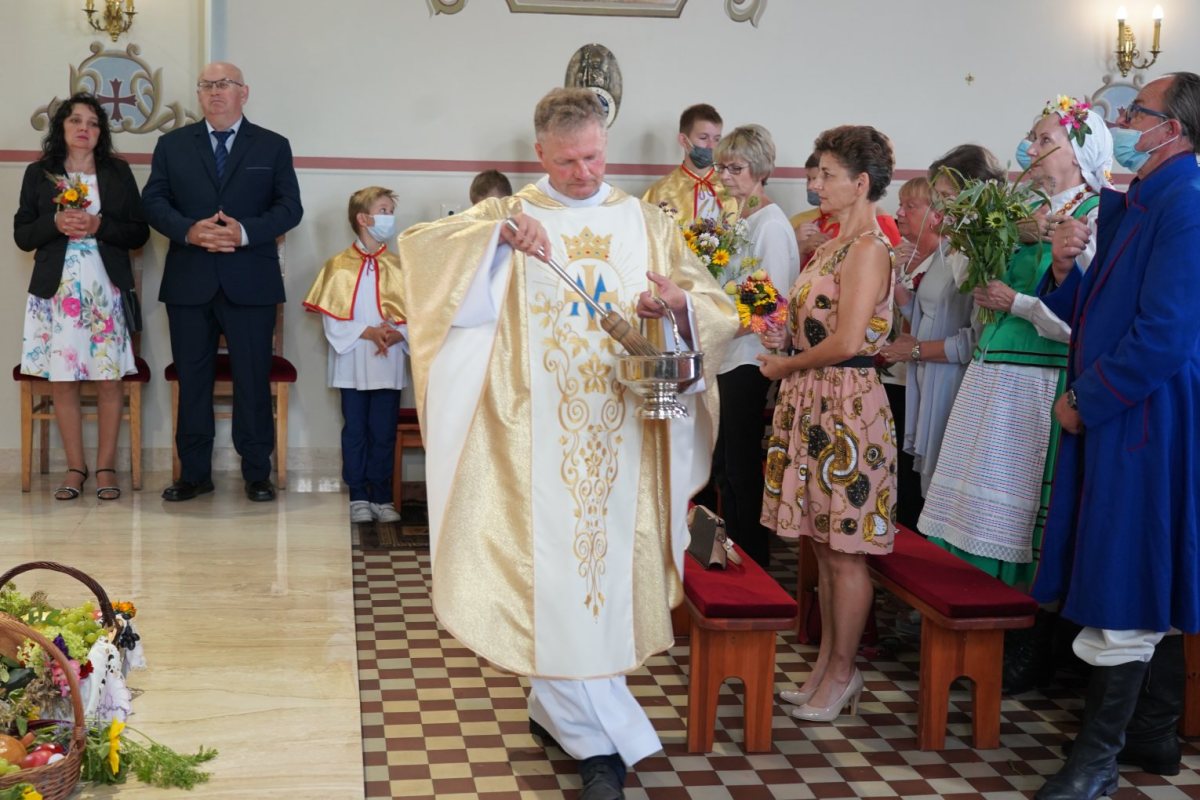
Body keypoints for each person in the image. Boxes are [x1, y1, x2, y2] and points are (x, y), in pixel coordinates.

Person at [393, 88, 737, 799]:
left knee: (603, 585)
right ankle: (599, 746)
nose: (584, 173)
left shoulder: (647, 222)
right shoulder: (510, 215)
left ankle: (557, 712)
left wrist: (677, 306)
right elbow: (423, 260)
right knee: (553, 585)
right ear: (540, 153)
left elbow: (713, 306)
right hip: (533, 441)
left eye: (594, 157)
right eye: (568, 161)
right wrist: (496, 242)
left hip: (628, 435)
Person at [1032, 72, 1200, 800]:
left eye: (1136, 112)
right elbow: (1101, 306)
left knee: (1129, 567)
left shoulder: (1187, 202)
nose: (1123, 121)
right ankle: (1152, 736)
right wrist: (1064, 267)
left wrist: (1087, 399)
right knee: (1135, 562)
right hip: (1122, 408)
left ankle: (1098, 762)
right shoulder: (1143, 198)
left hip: (1142, 414)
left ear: (1174, 129)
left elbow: (1165, 333)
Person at [918, 102, 1112, 696]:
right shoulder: (1024, 211)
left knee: (1025, 515)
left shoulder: (1095, 215)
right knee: (975, 510)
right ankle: (971, 629)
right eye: (1030, 137)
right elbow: (970, 278)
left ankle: (1027, 639)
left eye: (1044, 138)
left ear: (1077, 151)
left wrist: (1020, 304)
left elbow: (1092, 323)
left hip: (1039, 382)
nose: (1031, 148)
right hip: (994, 374)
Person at [758, 125, 897, 722]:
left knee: (846, 550)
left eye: (826, 175)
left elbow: (846, 341)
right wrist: (780, 336)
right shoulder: (831, 246)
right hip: (815, 398)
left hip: (847, 407)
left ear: (860, 183)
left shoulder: (868, 248)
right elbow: (814, 326)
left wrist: (785, 364)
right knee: (822, 542)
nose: (815, 183)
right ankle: (823, 669)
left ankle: (842, 673)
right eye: (815, 173)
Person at [142, 61, 303, 503]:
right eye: (207, 85)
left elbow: (290, 208)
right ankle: (194, 474)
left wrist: (244, 232)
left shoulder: (272, 145)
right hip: (189, 281)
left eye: (224, 84)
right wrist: (189, 231)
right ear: (199, 94)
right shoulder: (172, 145)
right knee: (193, 380)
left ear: (243, 93)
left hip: (250, 281)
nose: (215, 92)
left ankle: (257, 473)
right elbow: (153, 202)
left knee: (253, 379)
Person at [15, 92, 149, 501]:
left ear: (100, 133)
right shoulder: (38, 173)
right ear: (61, 127)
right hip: (55, 293)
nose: (84, 129)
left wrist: (98, 225)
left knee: (109, 379)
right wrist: (55, 223)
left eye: (92, 123)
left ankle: (106, 466)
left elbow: (138, 233)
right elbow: (22, 235)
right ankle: (76, 468)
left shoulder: (117, 172)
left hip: (103, 289)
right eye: (75, 120)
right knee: (63, 381)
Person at [707, 124, 799, 567]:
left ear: (760, 170)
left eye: (736, 168)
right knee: (724, 466)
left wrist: (713, 328)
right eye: (722, 167)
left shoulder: (772, 225)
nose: (726, 176)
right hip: (727, 356)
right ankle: (731, 555)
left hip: (750, 359)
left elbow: (770, 306)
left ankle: (754, 562)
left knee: (741, 467)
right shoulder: (740, 219)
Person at [302, 187, 406, 524]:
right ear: (363, 218)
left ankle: (382, 496)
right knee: (356, 431)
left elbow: (413, 316)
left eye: (391, 211)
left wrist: (396, 334)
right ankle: (358, 495)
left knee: (383, 432)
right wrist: (370, 332)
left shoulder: (399, 266)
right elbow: (333, 321)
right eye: (384, 210)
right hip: (352, 364)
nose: (390, 217)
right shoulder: (338, 266)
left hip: (388, 362)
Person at [642, 103, 737, 225]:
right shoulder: (659, 192)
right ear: (684, 140)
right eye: (703, 138)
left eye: (717, 139)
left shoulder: (730, 188)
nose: (712, 146)